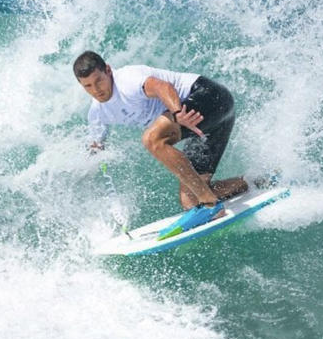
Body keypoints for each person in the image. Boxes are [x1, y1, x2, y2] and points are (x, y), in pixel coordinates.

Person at [74, 51, 246, 221]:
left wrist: (178, 113)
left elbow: (162, 87)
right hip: (208, 125)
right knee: (190, 200)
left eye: (99, 81)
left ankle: (211, 205)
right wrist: (90, 163)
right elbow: (96, 145)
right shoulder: (97, 113)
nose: (96, 90)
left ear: (108, 71)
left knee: (152, 139)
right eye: (88, 86)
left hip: (211, 98)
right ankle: (253, 183)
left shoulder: (127, 80)